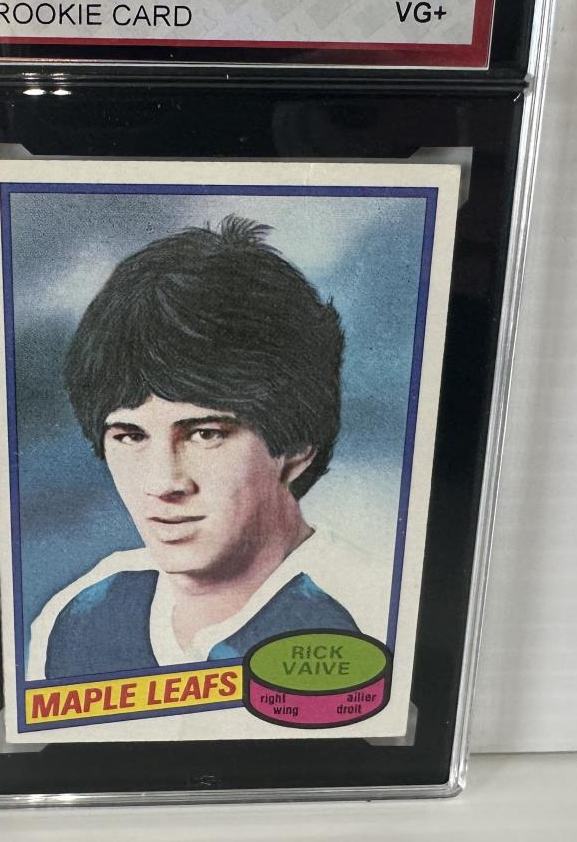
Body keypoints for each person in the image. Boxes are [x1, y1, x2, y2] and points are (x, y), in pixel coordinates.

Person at [26, 215, 386, 681]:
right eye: (131, 436)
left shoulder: (369, 614)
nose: (164, 483)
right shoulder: (78, 618)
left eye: (205, 434)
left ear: (296, 445)